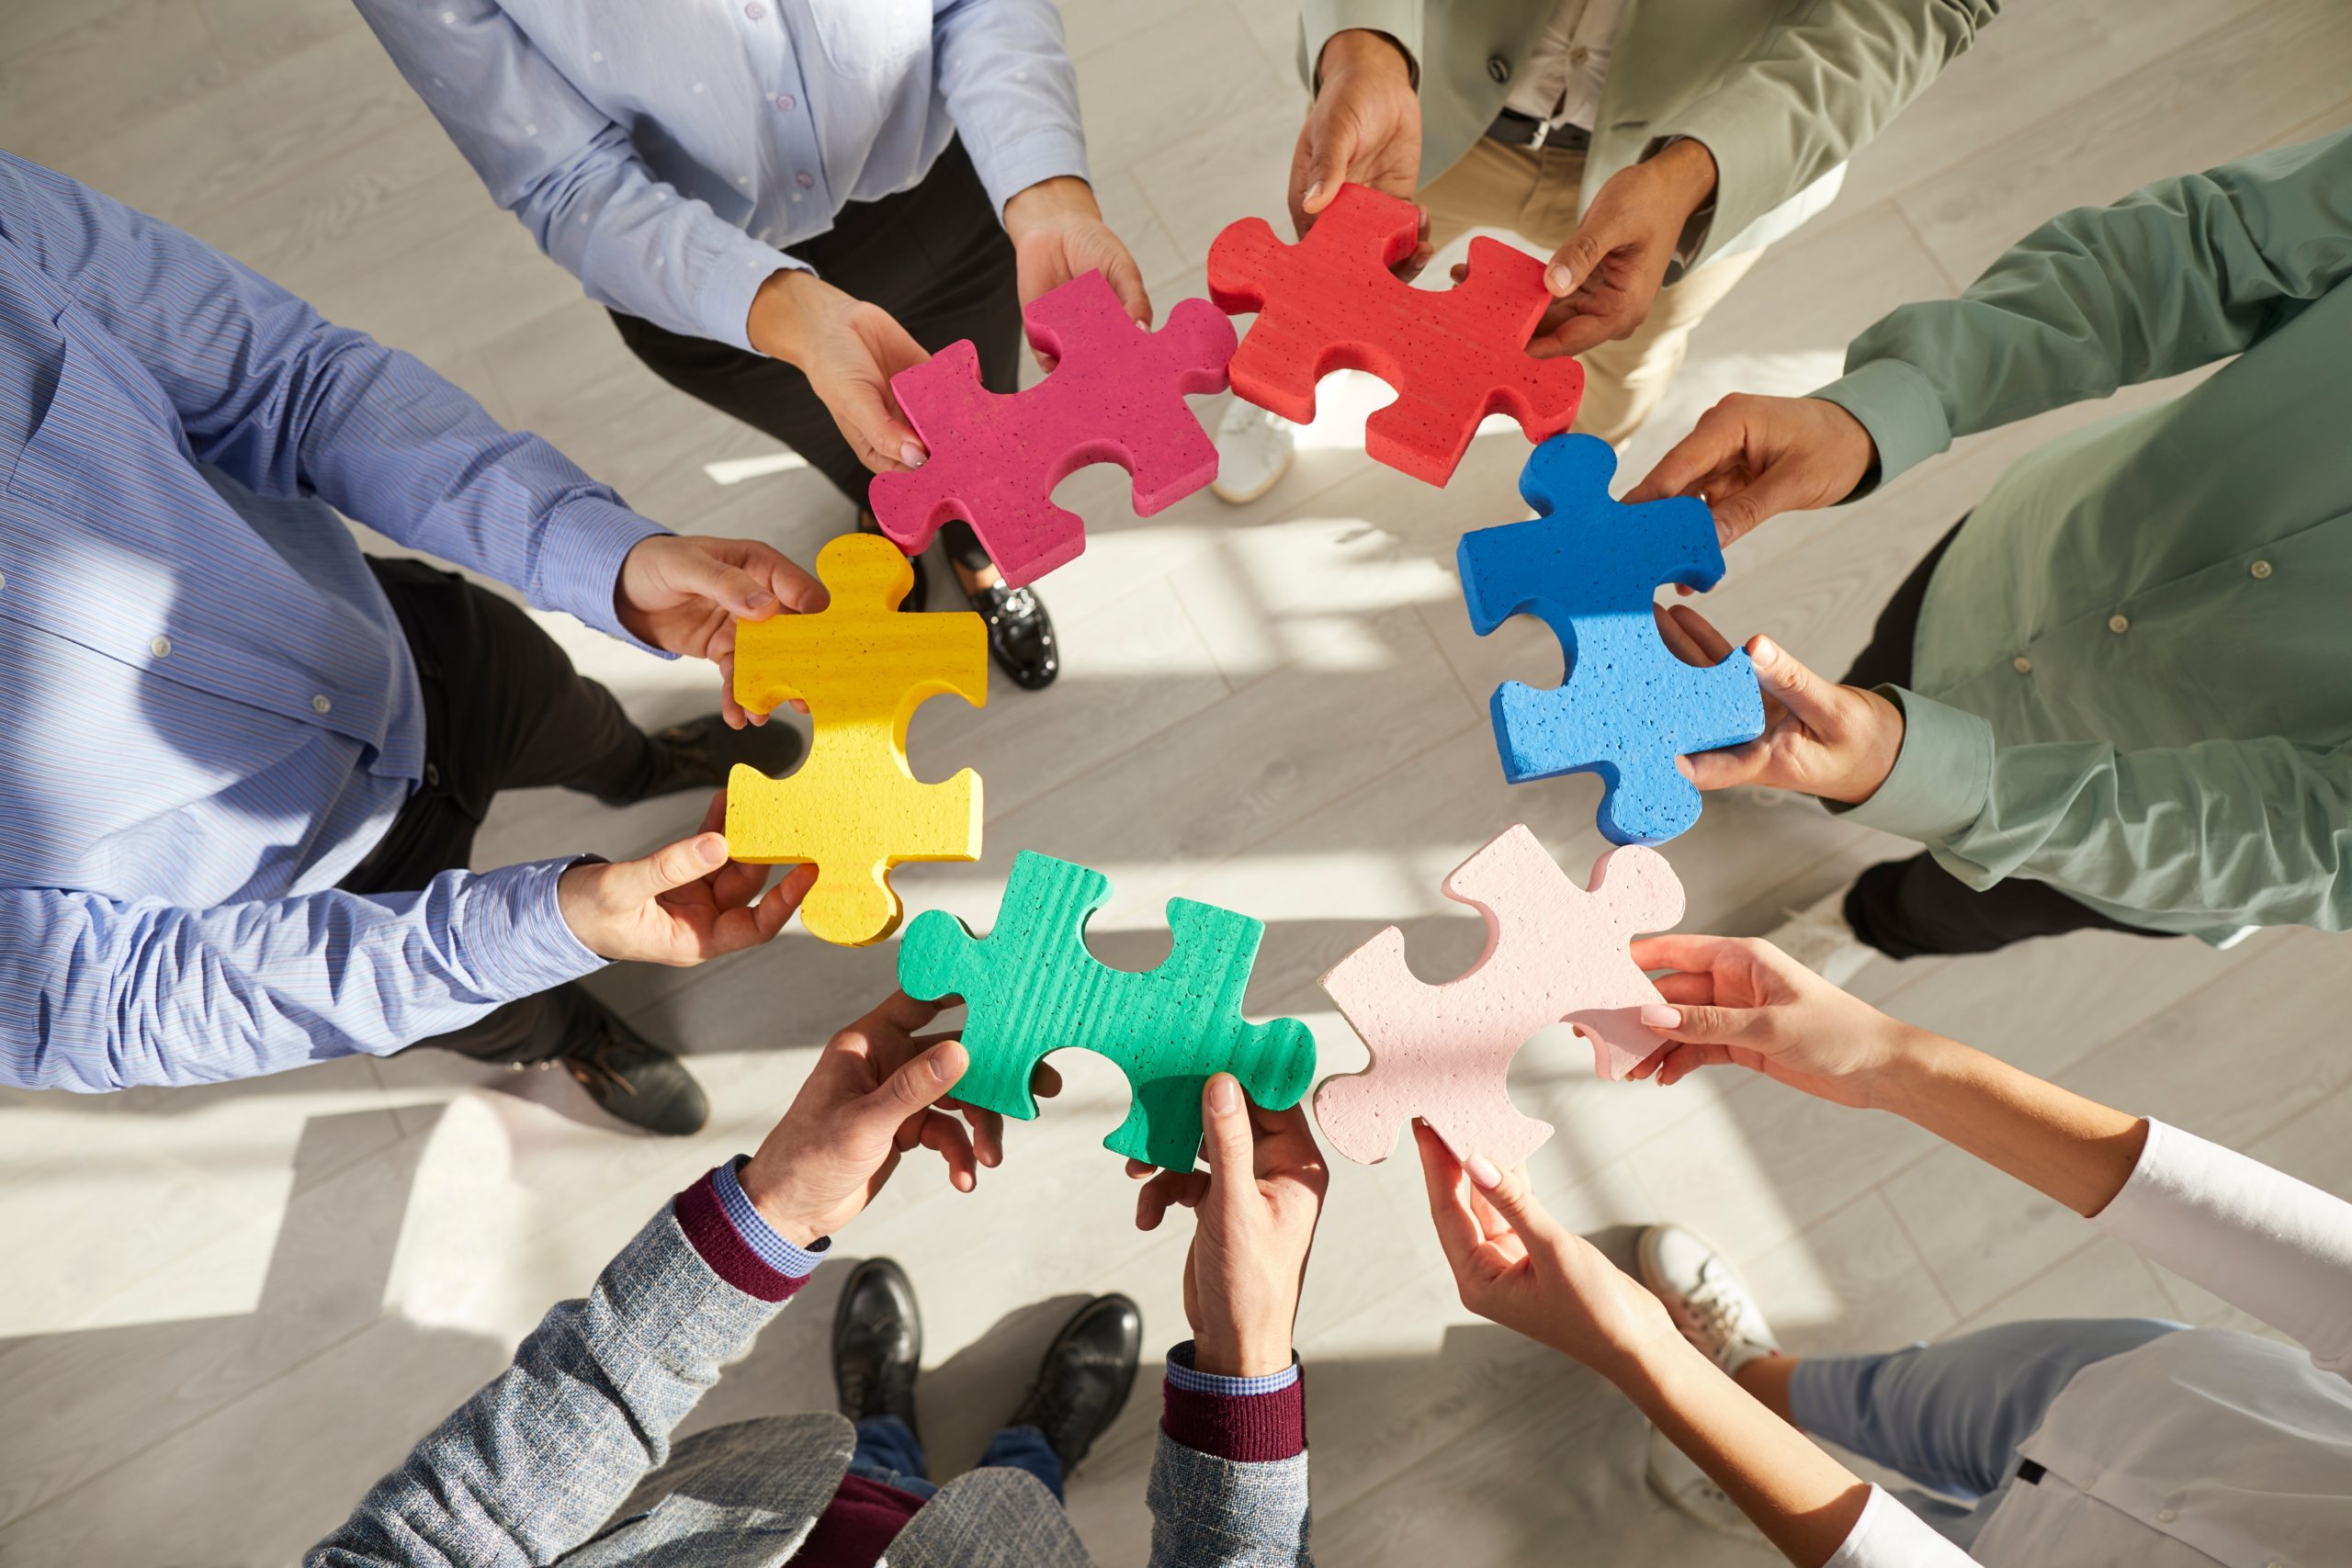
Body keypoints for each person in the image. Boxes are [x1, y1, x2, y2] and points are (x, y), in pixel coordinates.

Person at [0, 152, 822, 1134]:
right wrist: (536, 931)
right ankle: (568, 1035)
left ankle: (643, 761)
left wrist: (605, 559)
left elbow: (289, 380)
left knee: (582, 720)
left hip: (417, 650)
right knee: (503, 1009)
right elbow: (97, 1003)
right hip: (319, 916)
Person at [1633, 129, 2352, 981]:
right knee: (1872, 675)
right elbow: (2212, 244)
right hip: (2027, 562)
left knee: (1947, 904)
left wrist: (1943, 784)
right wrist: (1883, 406)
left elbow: (2315, 839)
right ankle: (1807, 771)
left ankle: (1864, 923)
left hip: (2139, 836)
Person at [1413, 931, 2352, 1565]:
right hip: (2140, 1391)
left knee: (1871, 1519)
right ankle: (1748, 1373)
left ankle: (1734, 1448)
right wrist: (1890, 1059)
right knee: (1890, 1391)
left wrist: (1643, 1352)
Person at [309, 993, 1324, 1567]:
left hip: (762, 1515)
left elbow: (449, 1534)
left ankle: (883, 1431)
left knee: (870, 1466)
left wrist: (771, 1214)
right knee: (1015, 1495)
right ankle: (1029, 1455)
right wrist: (1244, 1367)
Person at [353, 0, 1161, 694]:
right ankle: (899, 531)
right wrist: (789, 316)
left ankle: (977, 544)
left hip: (955, 188)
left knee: (982, 403)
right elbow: (561, 178)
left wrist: (1048, 195)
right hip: (713, 286)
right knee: (866, 454)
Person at [1209, 0, 1998, 503]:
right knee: (1325, 284)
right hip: (1433, 92)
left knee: (1613, 362)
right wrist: (1365, 41)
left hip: (1700, 156)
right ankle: (1278, 379)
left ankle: (1572, 497)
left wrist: (1700, 169)